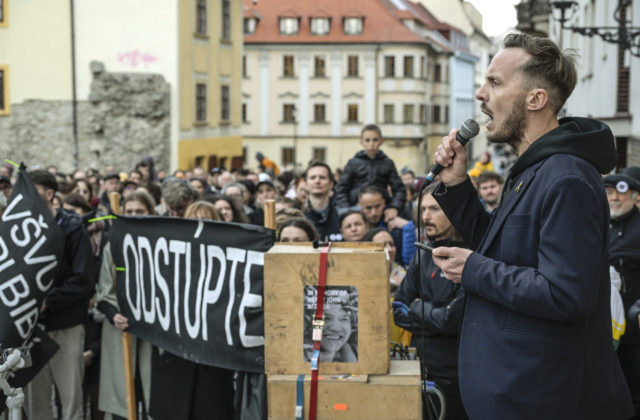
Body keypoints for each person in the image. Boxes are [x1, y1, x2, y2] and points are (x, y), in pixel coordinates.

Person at [429, 33, 633, 418]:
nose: (480, 95)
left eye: (495, 82)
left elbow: (565, 295)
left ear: (535, 99)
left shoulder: (566, 178)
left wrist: (473, 269)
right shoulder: (535, 169)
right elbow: (505, 251)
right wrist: (456, 185)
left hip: (544, 399)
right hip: (521, 392)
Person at [25, 170, 96, 420]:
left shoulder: (73, 228)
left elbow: (84, 280)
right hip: (31, 332)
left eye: (32, 190)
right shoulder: (19, 230)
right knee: (36, 406)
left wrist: (48, 301)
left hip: (66, 327)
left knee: (71, 404)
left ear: (50, 193)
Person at [393, 184, 468, 419]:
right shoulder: (423, 253)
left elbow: (451, 320)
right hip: (421, 370)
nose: (425, 216)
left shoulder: (473, 255)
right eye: (423, 209)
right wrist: (435, 317)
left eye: (434, 209)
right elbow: (398, 310)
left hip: (457, 376)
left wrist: (417, 307)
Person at [96, 191, 156, 420]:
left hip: (153, 331)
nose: (133, 215)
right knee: (123, 398)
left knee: (152, 393)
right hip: (122, 329)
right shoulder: (114, 244)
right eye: (129, 212)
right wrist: (114, 314)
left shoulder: (162, 243)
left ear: (150, 212)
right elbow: (104, 289)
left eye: (139, 211)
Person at [605, 172, 640, 417]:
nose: (615, 198)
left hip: (632, 328)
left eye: (622, 192)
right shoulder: (596, 223)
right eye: (610, 193)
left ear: (635, 196)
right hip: (600, 325)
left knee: (633, 389)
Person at [334, 124, 406, 221]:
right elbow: (342, 188)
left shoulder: (387, 163)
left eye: (375, 140)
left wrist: (394, 207)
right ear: (361, 142)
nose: (371, 144)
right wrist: (347, 210)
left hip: (380, 211)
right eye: (367, 140)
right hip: (356, 209)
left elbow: (399, 189)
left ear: (381, 141)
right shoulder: (353, 163)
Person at [357, 185, 416, 266]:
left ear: (383, 203)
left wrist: (408, 227)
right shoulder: (353, 227)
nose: (374, 212)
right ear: (359, 206)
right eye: (368, 208)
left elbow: (409, 262)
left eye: (377, 206)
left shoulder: (394, 228)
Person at [303, 161, 342, 241]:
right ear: (306, 185)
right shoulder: (298, 215)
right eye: (312, 177)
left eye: (322, 177)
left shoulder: (341, 216)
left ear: (331, 184)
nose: (317, 181)